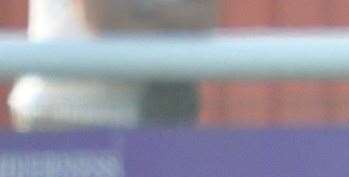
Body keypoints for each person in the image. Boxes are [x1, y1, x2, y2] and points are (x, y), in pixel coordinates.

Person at [8, 0, 219, 131]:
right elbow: (104, 18)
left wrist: (137, 9)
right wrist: (168, 20)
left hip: (157, 116)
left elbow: (203, 19)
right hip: (67, 115)